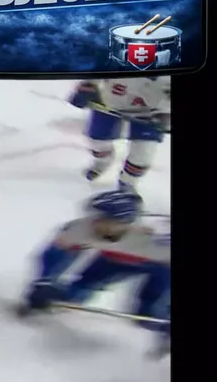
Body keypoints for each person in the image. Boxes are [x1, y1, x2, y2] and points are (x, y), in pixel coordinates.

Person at [18, 189, 170, 357]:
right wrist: (45, 281)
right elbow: (55, 256)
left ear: (125, 223)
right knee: (78, 289)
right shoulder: (80, 228)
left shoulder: (159, 238)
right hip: (113, 259)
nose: (95, 223)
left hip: (162, 267)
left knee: (150, 312)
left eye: (105, 219)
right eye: (95, 216)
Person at [69, 77, 171, 188]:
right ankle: (103, 160)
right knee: (97, 142)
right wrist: (87, 86)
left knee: (143, 153)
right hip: (110, 104)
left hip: (151, 113)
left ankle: (128, 184)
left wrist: (167, 112)